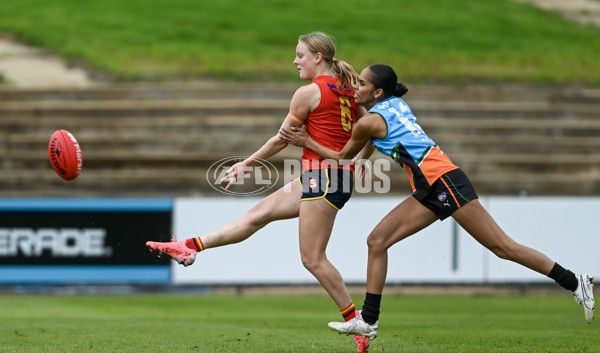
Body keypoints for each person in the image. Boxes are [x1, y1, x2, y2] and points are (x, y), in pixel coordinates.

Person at [278, 64, 595, 340]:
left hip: (443, 182)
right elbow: (375, 140)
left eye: (362, 84)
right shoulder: (394, 106)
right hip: (432, 184)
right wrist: (363, 158)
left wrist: (306, 141)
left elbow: (340, 156)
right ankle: (369, 322)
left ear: (377, 93)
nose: (356, 87)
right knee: (377, 241)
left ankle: (573, 281)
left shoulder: (368, 122)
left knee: (502, 247)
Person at [146, 32, 371, 352]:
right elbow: (372, 126)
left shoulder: (307, 93)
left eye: (300, 55)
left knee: (312, 258)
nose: (295, 61)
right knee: (258, 214)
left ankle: (357, 321)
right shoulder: (348, 88)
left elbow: (283, 138)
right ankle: (190, 246)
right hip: (327, 176)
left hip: (324, 178)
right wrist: (359, 160)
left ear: (317, 58)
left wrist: (246, 164)